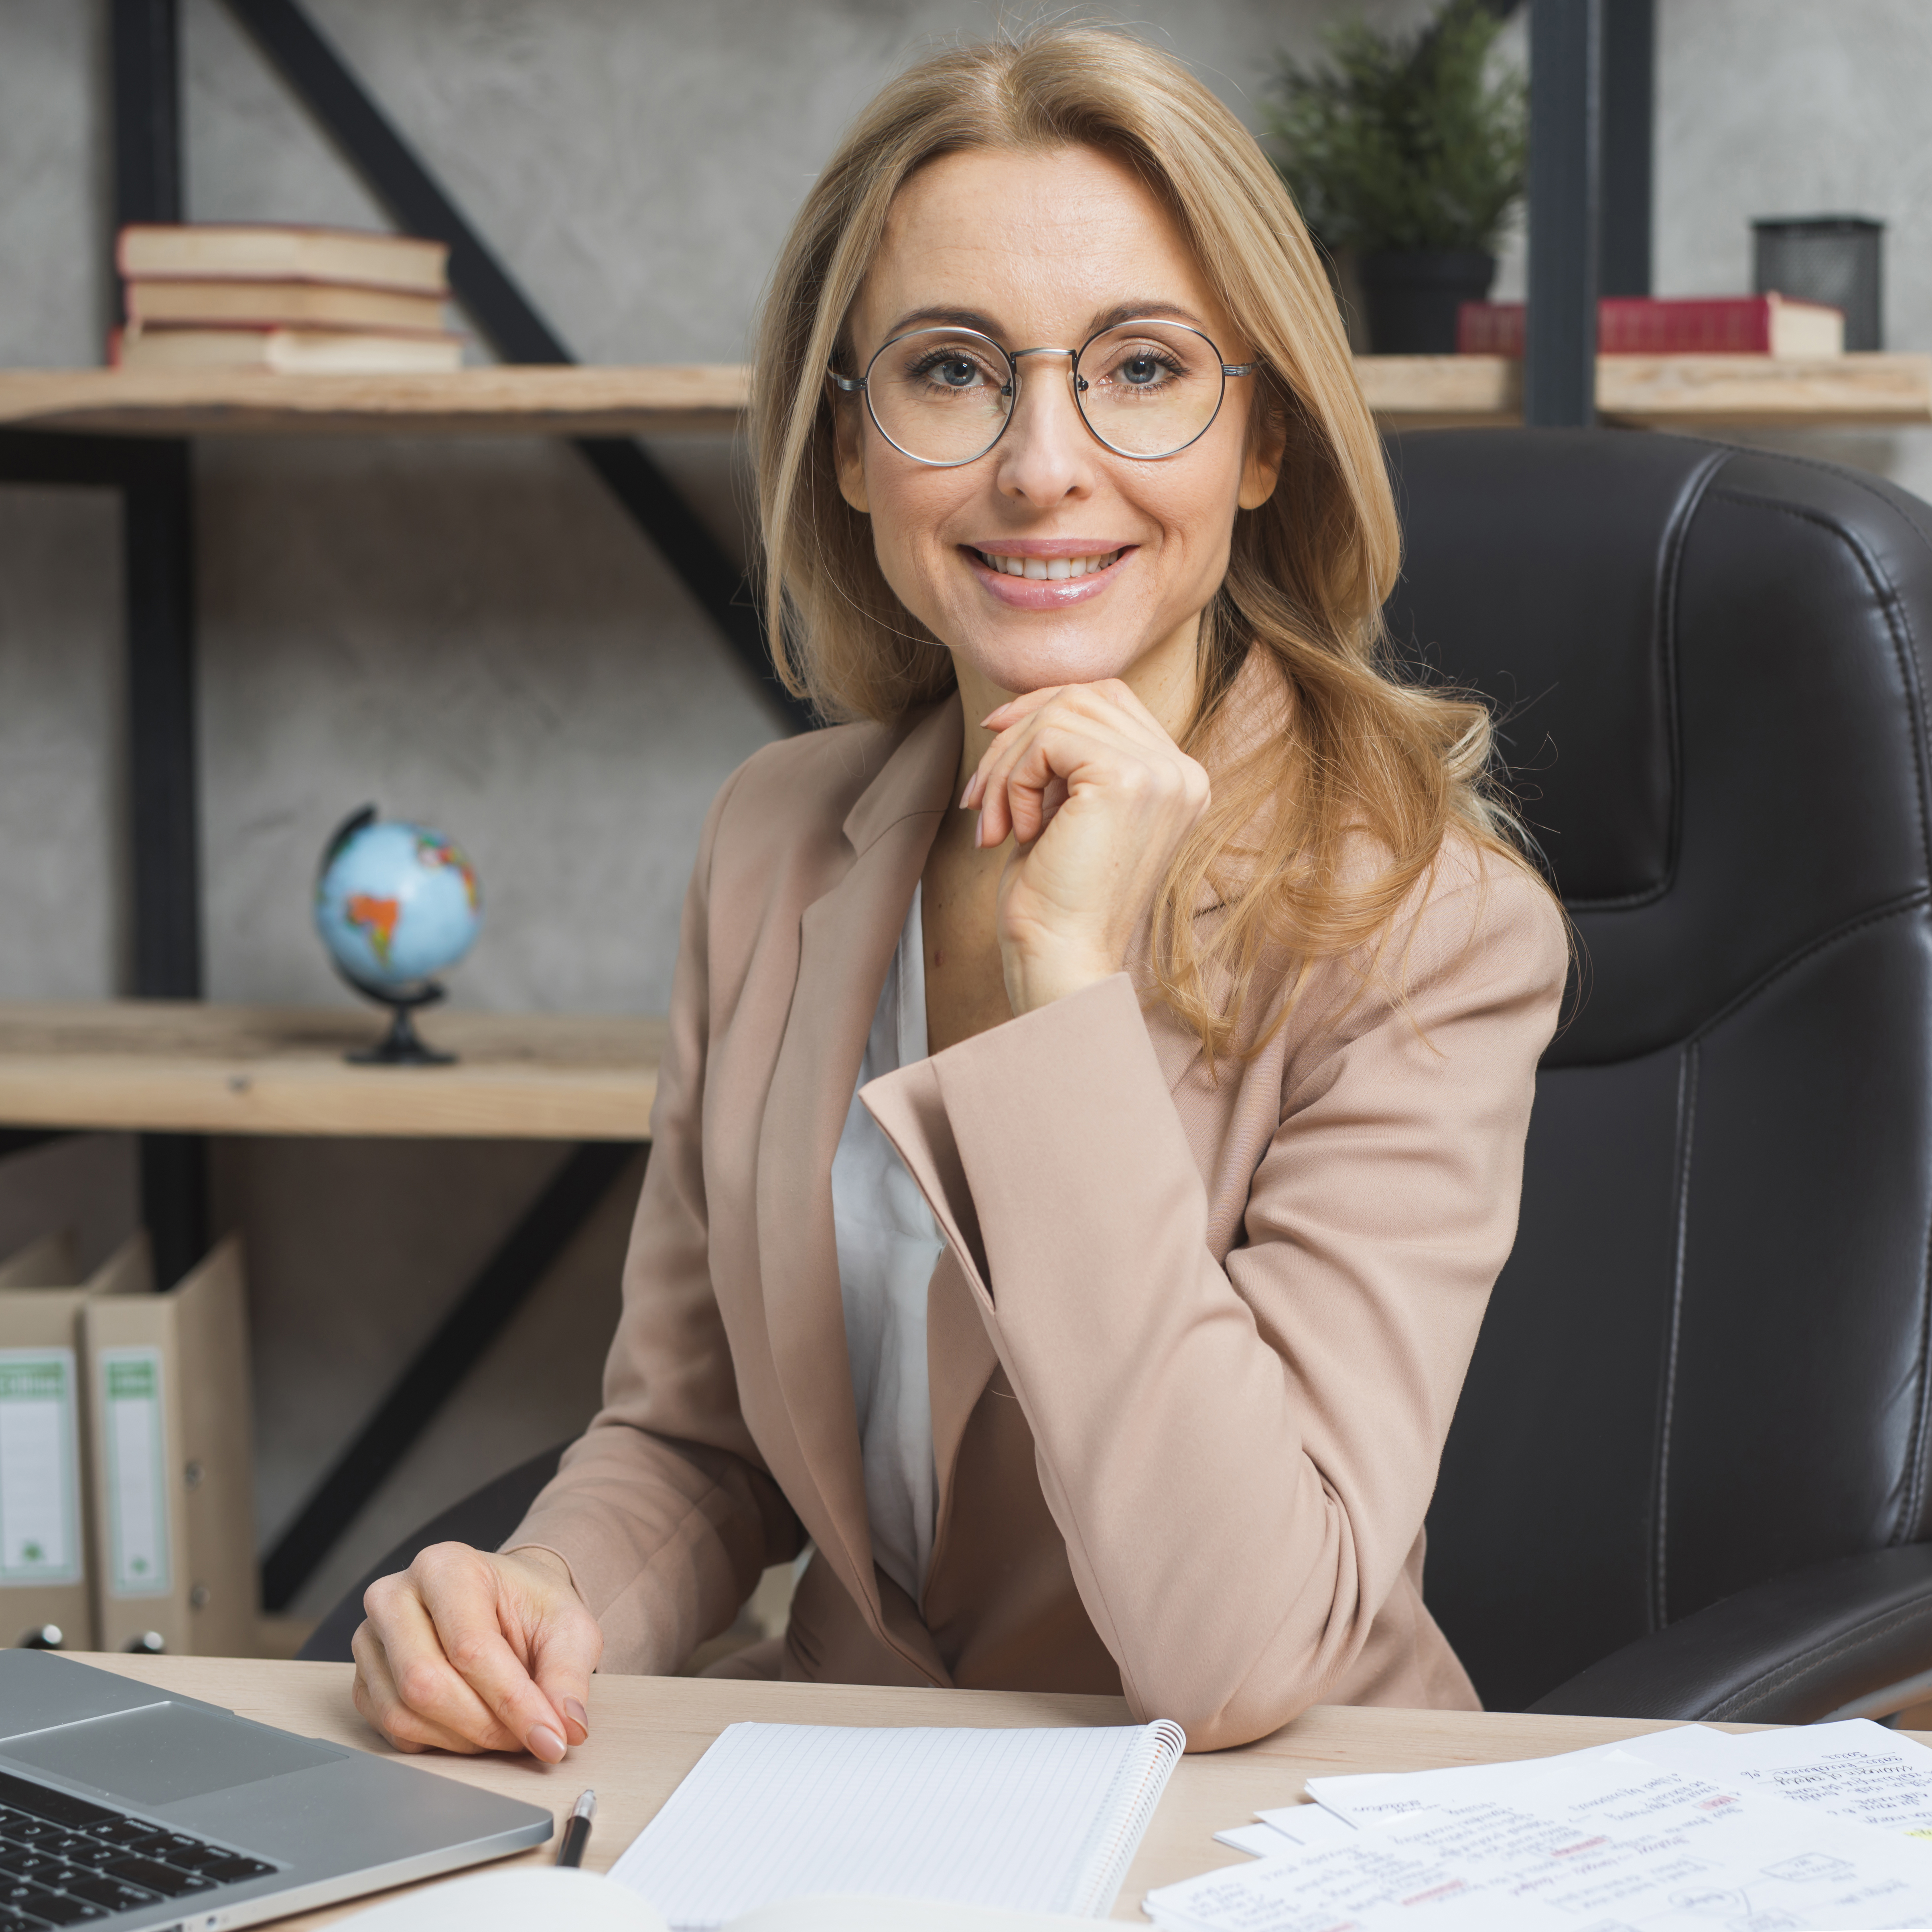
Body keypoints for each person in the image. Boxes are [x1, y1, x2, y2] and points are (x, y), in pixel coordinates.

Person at [349, 24, 1567, 1762]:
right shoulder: (774, 841)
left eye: (1142, 368)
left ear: (1265, 439)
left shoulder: (1425, 929)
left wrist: (1066, 989)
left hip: (1239, 1832)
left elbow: (1239, 1649)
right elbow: (699, 1445)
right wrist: (542, 1600)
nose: (1039, 464)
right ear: (848, 447)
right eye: (947, 370)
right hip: (838, 1813)